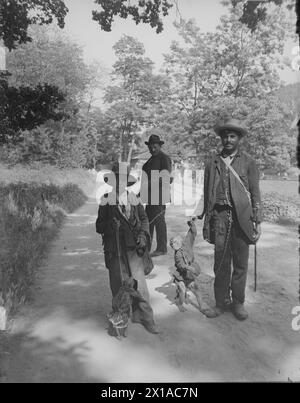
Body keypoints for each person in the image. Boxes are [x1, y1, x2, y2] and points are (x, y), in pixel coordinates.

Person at [200, 118, 262, 320]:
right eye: (225, 135)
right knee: (221, 262)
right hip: (220, 217)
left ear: (239, 139)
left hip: (242, 218)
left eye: (232, 136)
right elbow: (207, 190)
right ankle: (220, 303)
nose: (228, 139)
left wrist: (257, 220)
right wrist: (203, 216)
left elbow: (255, 192)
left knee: (240, 264)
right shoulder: (213, 162)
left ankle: (238, 303)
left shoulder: (248, 162)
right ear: (221, 138)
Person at [96, 161, 159, 335]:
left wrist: (143, 235)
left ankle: (145, 318)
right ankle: (119, 322)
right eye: (117, 179)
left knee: (140, 286)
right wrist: (110, 224)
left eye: (123, 179)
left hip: (134, 249)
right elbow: (98, 226)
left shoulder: (134, 198)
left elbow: (145, 219)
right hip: (114, 250)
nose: (120, 182)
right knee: (118, 286)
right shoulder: (105, 200)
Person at [170, 219, 217, 318]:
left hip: (189, 274)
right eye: (172, 244)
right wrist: (190, 268)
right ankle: (180, 304)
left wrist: (192, 224)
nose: (173, 244)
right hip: (182, 275)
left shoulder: (186, 243)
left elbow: (191, 234)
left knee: (196, 288)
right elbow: (181, 266)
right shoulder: (177, 255)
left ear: (180, 240)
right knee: (182, 289)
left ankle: (202, 306)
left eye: (174, 242)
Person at [141, 134, 172, 257]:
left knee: (159, 221)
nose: (152, 149)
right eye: (150, 147)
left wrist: (149, 184)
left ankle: (161, 248)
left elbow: (165, 177)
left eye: (155, 147)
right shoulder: (150, 160)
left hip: (159, 195)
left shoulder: (164, 158)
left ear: (159, 146)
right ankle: (146, 248)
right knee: (147, 221)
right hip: (149, 196)